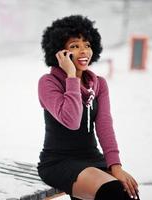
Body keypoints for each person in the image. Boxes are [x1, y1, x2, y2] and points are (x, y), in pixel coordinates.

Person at [37, 15, 140, 200]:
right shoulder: (48, 83)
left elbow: (104, 125)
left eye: (87, 45)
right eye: (74, 46)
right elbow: (72, 120)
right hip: (59, 161)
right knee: (113, 191)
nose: (83, 51)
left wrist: (116, 166)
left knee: (128, 192)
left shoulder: (98, 84)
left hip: (92, 157)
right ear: (60, 52)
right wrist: (71, 76)